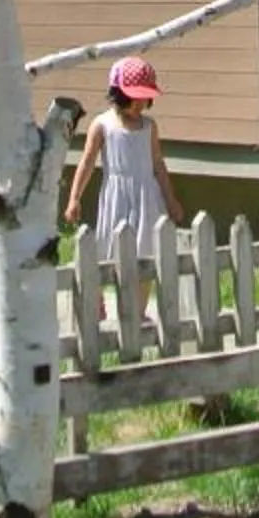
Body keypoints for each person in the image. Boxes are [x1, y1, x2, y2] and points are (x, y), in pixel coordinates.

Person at [63, 56, 180, 325]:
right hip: (117, 196)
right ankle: (96, 300)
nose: (140, 104)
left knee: (147, 250)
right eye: (134, 98)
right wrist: (74, 199)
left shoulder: (149, 127)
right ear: (117, 94)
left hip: (146, 196)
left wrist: (170, 199)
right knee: (107, 249)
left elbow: (158, 165)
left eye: (145, 99)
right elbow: (88, 162)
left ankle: (137, 311)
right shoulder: (102, 125)